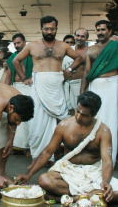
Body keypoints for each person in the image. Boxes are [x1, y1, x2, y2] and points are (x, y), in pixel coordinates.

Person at [15, 91, 118, 203]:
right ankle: (90, 196)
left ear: (94, 114)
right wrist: (28, 175)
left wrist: (106, 182)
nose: (78, 116)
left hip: (93, 173)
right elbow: (47, 152)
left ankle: (67, 198)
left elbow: (107, 160)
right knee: (44, 180)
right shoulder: (64, 126)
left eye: (84, 115)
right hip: (68, 171)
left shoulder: (103, 131)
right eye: (77, 111)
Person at [12, 15, 83, 162]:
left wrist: (69, 70)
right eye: (46, 28)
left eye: (52, 28)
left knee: (61, 119)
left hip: (57, 85)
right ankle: (37, 156)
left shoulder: (63, 46)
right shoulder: (32, 45)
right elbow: (16, 60)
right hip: (39, 85)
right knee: (37, 121)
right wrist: (25, 78)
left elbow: (79, 58)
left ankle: (58, 156)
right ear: (41, 29)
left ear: (56, 29)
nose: (49, 31)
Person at [81, 20, 118, 167]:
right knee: (93, 120)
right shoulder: (91, 49)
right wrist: (82, 93)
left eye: (103, 30)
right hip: (94, 85)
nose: (100, 32)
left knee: (110, 122)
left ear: (110, 31)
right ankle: (93, 159)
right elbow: (87, 72)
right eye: (98, 30)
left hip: (111, 85)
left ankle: (109, 161)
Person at [5, 33, 33, 152]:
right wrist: (5, 89)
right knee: (15, 115)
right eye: (15, 43)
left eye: (19, 42)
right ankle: (16, 145)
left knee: (27, 116)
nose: (17, 45)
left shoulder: (32, 56)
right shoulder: (11, 58)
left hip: (29, 87)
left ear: (25, 42)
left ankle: (27, 146)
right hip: (16, 87)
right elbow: (9, 74)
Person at [62, 29, 89, 113]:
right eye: (77, 35)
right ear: (74, 36)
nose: (79, 38)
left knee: (80, 109)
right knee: (68, 111)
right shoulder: (68, 50)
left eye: (82, 36)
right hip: (67, 84)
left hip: (81, 84)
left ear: (87, 38)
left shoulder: (89, 51)